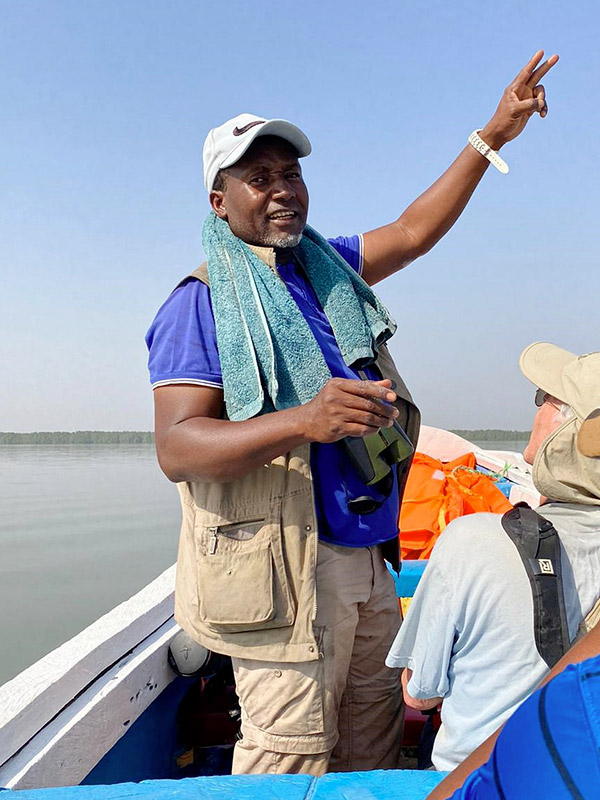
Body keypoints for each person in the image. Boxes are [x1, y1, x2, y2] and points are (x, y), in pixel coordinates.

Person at [146, 51, 558, 776]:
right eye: (259, 177)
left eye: (291, 173)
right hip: (287, 579)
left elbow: (411, 230)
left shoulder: (325, 265)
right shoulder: (200, 301)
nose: (282, 191)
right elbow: (178, 447)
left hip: (370, 559)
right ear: (219, 200)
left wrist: (493, 133)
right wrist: (302, 419)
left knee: (371, 754)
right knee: (288, 767)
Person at [386, 343, 600, 772]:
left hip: (478, 780)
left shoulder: (472, 541)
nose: (536, 409)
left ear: (564, 434)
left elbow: (421, 694)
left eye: (544, 399)